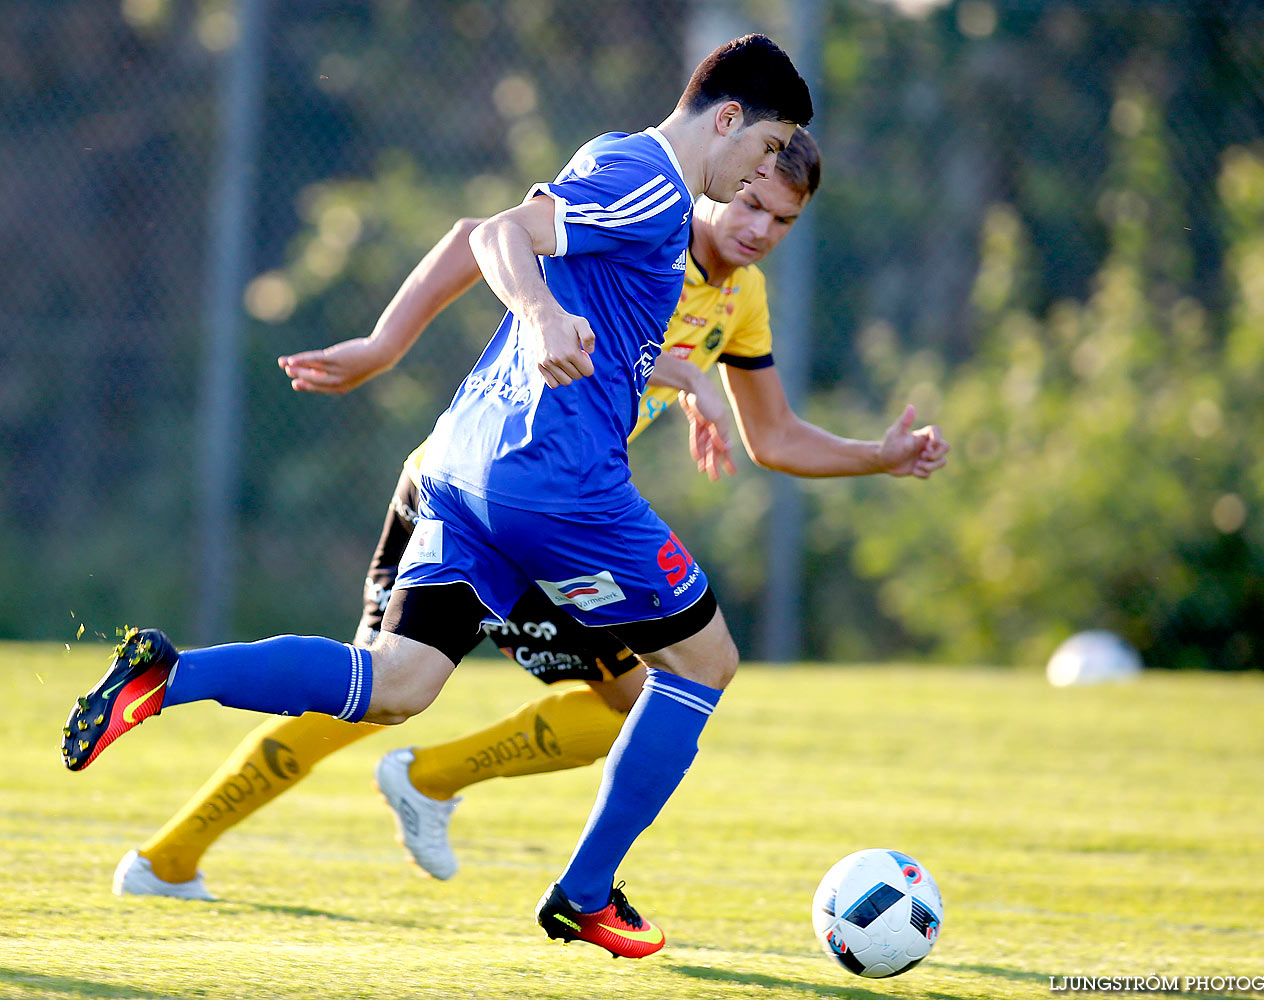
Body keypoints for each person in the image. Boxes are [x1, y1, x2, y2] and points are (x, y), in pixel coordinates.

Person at [64, 34, 817, 958]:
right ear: (730, 117)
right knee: (702, 665)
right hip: (559, 481)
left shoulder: (623, 171)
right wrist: (538, 315)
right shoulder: (653, 180)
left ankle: (171, 676)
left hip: (465, 468)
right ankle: (585, 893)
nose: (759, 173)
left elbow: (559, 280)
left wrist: (394, 346)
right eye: (766, 147)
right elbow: (500, 234)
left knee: (395, 683)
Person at [110, 128, 949, 904]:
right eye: (749, 201)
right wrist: (382, 345)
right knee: (375, 689)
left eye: (782, 218)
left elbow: (772, 435)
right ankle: (175, 856)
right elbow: (485, 233)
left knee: (627, 696)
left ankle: (426, 779)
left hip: (565, 511)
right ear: (718, 175)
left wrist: (877, 455)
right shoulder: (642, 221)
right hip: (474, 489)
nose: (758, 226)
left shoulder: (743, 297)